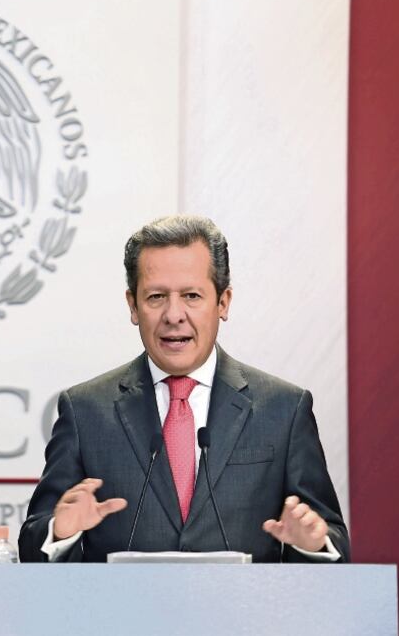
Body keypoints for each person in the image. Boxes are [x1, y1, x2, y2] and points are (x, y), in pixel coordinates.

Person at [19, 215, 349, 562]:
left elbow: (335, 542)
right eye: (156, 297)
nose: (173, 314)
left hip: (244, 614)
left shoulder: (283, 409)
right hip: (119, 615)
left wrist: (311, 543)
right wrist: (61, 531)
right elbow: (32, 544)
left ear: (223, 303)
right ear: (133, 305)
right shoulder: (85, 410)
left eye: (192, 295)